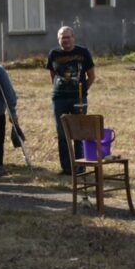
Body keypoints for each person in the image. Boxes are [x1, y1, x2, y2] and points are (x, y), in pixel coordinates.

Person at [46, 26, 95, 175]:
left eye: (68, 37)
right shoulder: (53, 54)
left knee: (78, 133)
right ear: (58, 39)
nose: (65, 40)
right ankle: (67, 168)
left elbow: (91, 76)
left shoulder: (83, 53)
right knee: (62, 134)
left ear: (73, 38)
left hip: (78, 98)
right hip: (59, 99)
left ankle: (80, 166)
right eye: (62, 37)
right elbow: (52, 75)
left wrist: (83, 91)